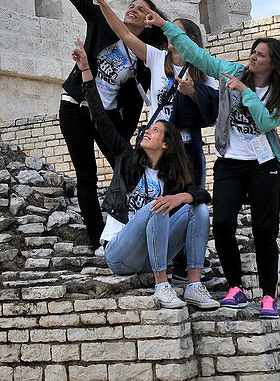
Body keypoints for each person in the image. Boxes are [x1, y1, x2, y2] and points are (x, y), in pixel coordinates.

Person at [145, 9, 280, 320]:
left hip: (263, 165)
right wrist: (167, 28)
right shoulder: (232, 71)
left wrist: (246, 93)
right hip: (231, 162)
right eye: (253, 52)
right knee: (223, 222)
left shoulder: (279, 94)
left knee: (265, 231)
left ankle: (268, 296)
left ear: (273, 63)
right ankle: (236, 287)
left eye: (261, 55)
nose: (254, 58)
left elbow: (266, 122)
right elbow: (198, 56)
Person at [36, 0, 165, 248]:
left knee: (128, 167)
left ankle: (132, 228)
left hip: (106, 118)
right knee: (86, 175)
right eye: (131, 6)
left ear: (148, 21)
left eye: (140, 10)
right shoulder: (100, 22)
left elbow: (144, 96)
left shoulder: (145, 56)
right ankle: (98, 242)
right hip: (76, 107)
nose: (132, 10)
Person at [72, 40, 218, 310]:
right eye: (147, 130)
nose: (146, 131)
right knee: (158, 206)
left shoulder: (172, 173)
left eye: (155, 131)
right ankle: (162, 286)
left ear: (166, 144)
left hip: (153, 254)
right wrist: (85, 70)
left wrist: (180, 198)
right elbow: (100, 118)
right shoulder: (126, 159)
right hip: (120, 252)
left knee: (196, 209)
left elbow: (202, 194)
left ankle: (194, 286)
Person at [85, 0, 216, 183]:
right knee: (153, 197)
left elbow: (214, 114)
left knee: (187, 197)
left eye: (177, 31)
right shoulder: (157, 58)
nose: (171, 34)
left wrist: (193, 92)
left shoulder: (205, 70)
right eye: (169, 29)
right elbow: (124, 33)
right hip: (156, 143)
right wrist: (102, 2)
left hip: (186, 144)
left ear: (190, 38)